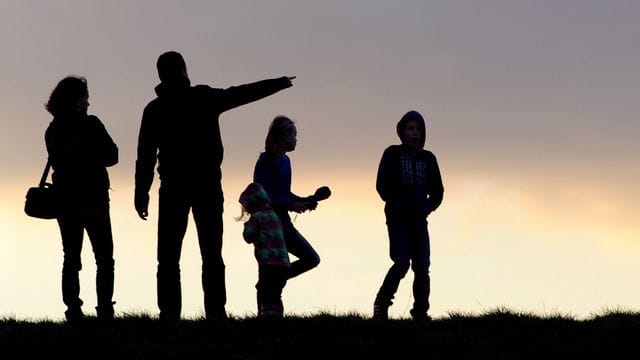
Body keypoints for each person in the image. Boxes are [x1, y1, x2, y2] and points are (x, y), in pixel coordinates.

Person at [134, 51, 294, 321]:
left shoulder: (154, 110)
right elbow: (241, 93)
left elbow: (145, 156)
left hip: (173, 188)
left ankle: (169, 315)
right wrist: (277, 83)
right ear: (184, 70)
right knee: (211, 253)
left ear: (160, 76)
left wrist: (141, 193)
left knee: (168, 257)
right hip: (206, 185)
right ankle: (216, 313)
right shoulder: (203, 97)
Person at [44, 76, 118, 322]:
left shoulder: (52, 130)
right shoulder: (92, 125)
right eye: (85, 97)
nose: (88, 102)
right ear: (77, 101)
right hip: (94, 198)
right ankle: (105, 310)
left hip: (65, 200)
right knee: (104, 258)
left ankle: (73, 310)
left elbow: (60, 162)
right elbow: (112, 155)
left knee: (71, 257)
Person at [373, 110, 444, 321]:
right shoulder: (392, 153)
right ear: (402, 131)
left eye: (419, 129)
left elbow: (438, 191)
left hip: (419, 221)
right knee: (402, 263)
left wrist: (427, 207)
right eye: (410, 129)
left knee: (422, 266)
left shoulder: (429, 158)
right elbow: (381, 185)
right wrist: (395, 203)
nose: (414, 133)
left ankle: (421, 312)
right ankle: (381, 304)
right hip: (397, 219)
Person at [253, 116, 329, 282]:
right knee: (270, 268)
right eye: (294, 135)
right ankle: (273, 283)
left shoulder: (286, 160)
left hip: (284, 223)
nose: (296, 139)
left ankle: (276, 280)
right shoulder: (265, 161)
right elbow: (264, 195)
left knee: (311, 259)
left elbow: (284, 193)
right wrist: (292, 204)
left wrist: (305, 200)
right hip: (268, 225)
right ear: (284, 137)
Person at [238, 182, 290, 318]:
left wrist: (247, 223)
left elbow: (248, 237)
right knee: (275, 294)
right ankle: (277, 317)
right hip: (283, 264)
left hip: (268, 264)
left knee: (265, 292)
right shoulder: (274, 215)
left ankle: (266, 318)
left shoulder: (257, 217)